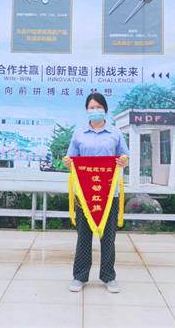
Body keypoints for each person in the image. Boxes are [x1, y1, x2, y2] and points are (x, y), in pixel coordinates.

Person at [64, 92, 129, 294]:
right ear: (86, 110)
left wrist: (123, 160)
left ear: (105, 110)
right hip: (84, 195)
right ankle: (79, 276)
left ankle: (109, 277)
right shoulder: (79, 134)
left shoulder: (115, 133)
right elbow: (70, 160)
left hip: (109, 194)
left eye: (98, 107)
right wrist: (68, 162)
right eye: (91, 107)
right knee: (83, 236)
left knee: (108, 237)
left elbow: (124, 156)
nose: (95, 110)